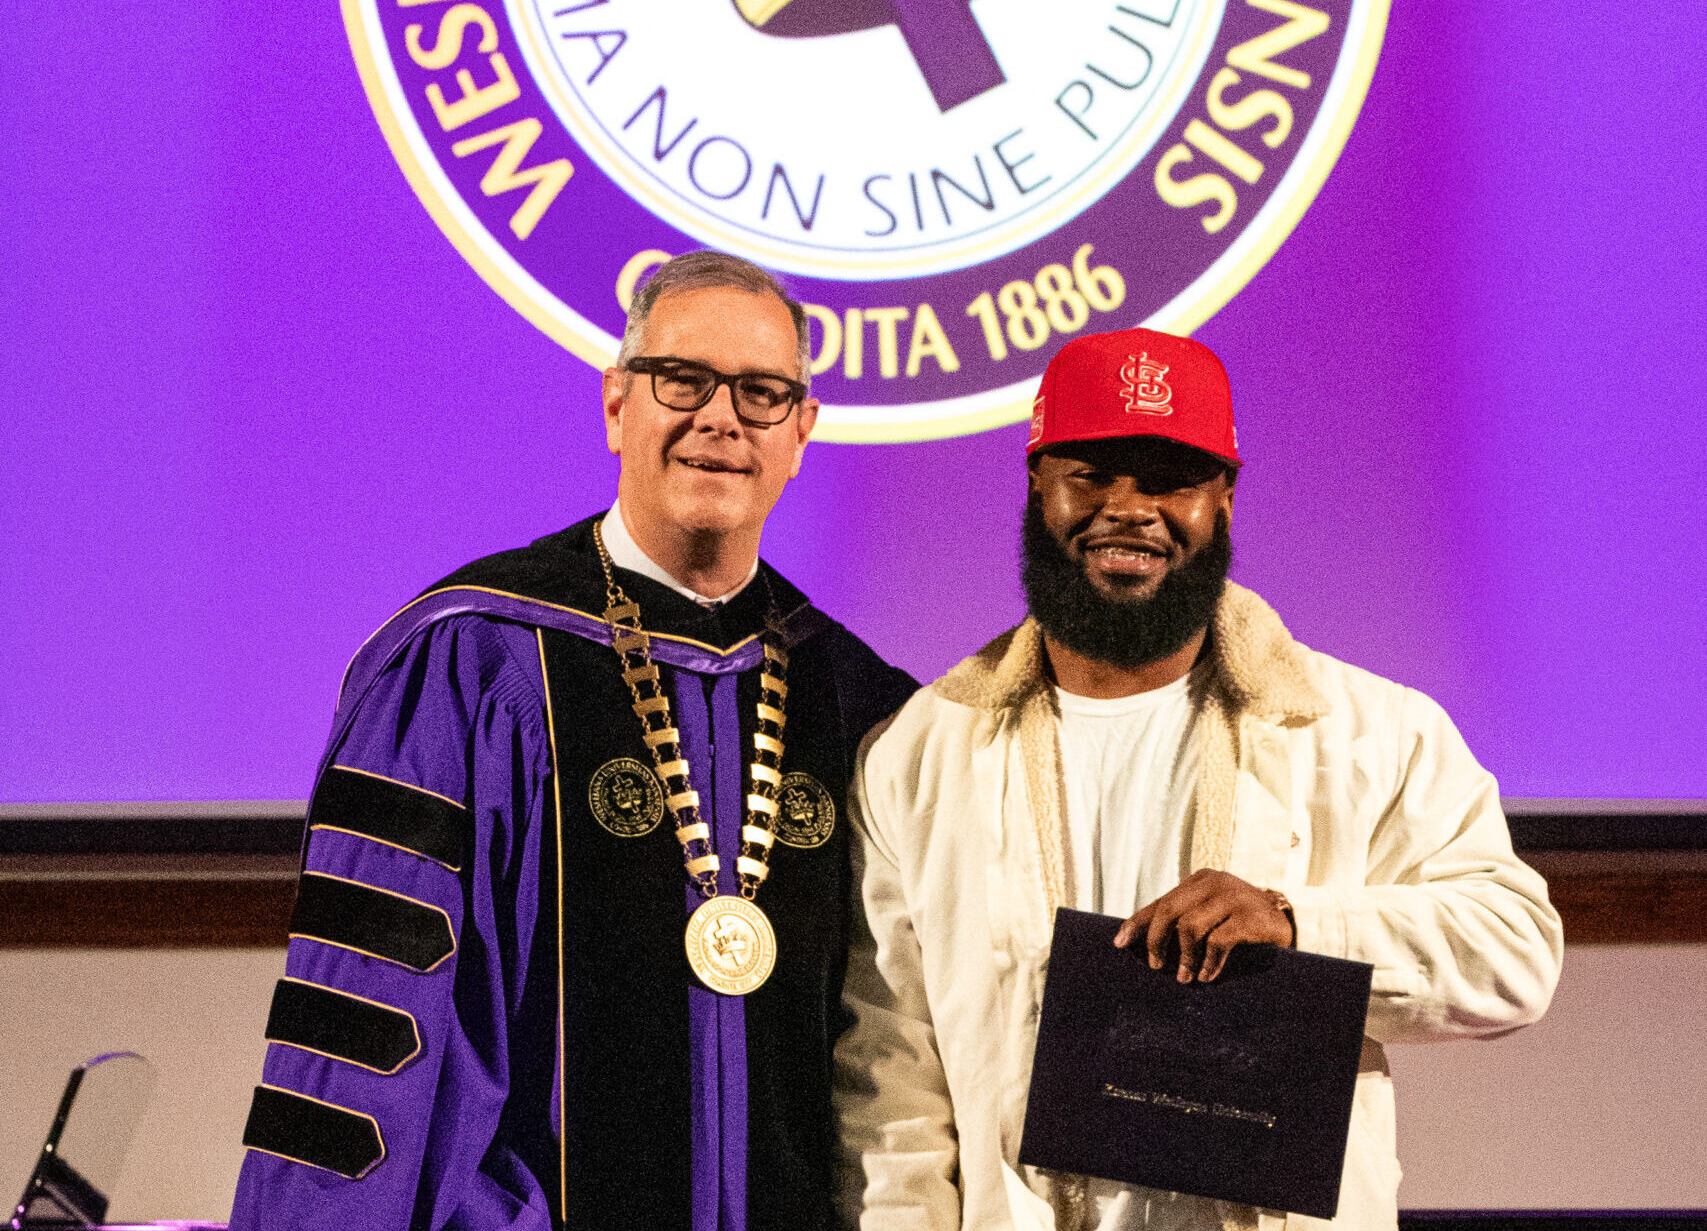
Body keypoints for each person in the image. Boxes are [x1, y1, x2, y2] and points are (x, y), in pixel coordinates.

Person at [232, 251, 915, 1231]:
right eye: (683, 380)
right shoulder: (470, 666)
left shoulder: (858, 702)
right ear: (617, 404)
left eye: (762, 392)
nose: (720, 418)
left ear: (800, 433)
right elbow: (370, 1053)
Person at [834, 327, 1563, 1231]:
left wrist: (1299, 922)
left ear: (1223, 498)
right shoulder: (921, 751)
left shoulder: (1370, 730)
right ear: (1036, 483)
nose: (1128, 508)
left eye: (1168, 476)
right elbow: (890, 1074)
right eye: (1091, 472)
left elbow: (1516, 952)